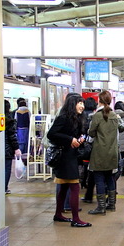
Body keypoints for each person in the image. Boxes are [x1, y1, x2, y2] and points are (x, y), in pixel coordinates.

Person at [47, 94, 92, 227]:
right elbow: (51, 134)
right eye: (79, 103)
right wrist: (70, 139)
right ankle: (76, 219)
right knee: (74, 186)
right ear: (72, 104)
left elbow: (78, 133)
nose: (82, 106)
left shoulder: (78, 118)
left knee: (65, 187)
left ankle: (58, 214)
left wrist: (81, 138)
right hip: (65, 157)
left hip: (71, 155)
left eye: (82, 103)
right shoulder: (63, 117)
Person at [88, 90, 119, 215]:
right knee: (110, 177)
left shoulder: (97, 116)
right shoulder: (114, 116)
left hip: (100, 152)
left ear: (99, 101)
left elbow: (91, 132)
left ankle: (101, 207)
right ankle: (111, 204)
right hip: (112, 151)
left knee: (99, 178)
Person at [81, 97, 97, 203]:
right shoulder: (94, 116)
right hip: (93, 146)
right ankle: (89, 193)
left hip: (82, 145)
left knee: (83, 166)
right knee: (92, 170)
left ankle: (82, 183)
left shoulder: (81, 115)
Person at [4, 100, 22, 194]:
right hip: (7, 149)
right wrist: (16, 148)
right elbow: (12, 136)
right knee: (7, 168)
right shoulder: (9, 119)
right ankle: (4, 187)